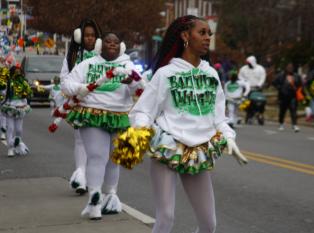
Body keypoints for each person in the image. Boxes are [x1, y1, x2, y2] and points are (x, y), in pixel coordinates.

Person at [128, 15, 248, 233]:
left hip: (197, 151)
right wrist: (141, 129)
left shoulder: (211, 74)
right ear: (185, 35)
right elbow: (143, 110)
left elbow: (218, 116)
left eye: (209, 34)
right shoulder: (165, 74)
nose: (207, 38)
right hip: (168, 147)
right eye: (202, 33)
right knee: (166, 217)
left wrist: (229, 137)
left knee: (208, 224)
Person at [62, 32, 143, 220]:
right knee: (97, 156)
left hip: (120, 116)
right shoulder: (87, 64)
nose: (112, 44)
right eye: (108, 41)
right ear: (100, 45)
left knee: (115, 159)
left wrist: (131, 82)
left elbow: (141, 90)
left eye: (116, 42)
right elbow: (67, 84)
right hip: (93, 114)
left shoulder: (128, 65)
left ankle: (110, 195)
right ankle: (94, 198)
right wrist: (81, 88)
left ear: (121, 46)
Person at [60, 18, 102, 195]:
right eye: (86, 35)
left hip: (101, 106)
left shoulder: (103, 56)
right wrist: (77, 90)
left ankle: (95, 181)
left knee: (98, 146)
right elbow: (64, 78)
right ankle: (81, 178)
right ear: (79, 37)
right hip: (79, 102)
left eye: (93, 36)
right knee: (80, 140)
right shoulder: (73, 56)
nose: (90, 39)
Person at [0, 65, 32, 156]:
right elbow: (3, 92)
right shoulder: (8, 82)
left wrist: (25, 95)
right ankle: (10, 148)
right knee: (10, 128)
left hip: (20, 106)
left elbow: (29, 93)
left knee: (19, 130)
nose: (18, 73)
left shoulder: (24, 82)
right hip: (10, 106)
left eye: (19, 71)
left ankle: (16, 144)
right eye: (16, 71)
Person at [272, 63, 302, 132]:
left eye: (291, 68)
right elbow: (274, 82)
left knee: (293, 110)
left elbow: (300, 85)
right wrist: (279, 88)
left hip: (293, 96)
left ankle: (294, 125)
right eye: (288, 68)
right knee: (282, 111)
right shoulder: (281, 75)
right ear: (286, 68)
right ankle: (281, 124)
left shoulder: (296, 76)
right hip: (283, 96)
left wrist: (297, 89)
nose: (290, 69)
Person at [238, 56, 266, 125]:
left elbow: (262, 77)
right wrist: (244, 82)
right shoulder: (244, 69)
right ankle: (249, 115)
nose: (248, 64)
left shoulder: (260, 69)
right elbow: (240, 76)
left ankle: (260, 114)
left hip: (257, 89)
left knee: (260, 101)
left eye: (249, 63)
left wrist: (259, 84)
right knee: (247, 103)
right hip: (248, 89)